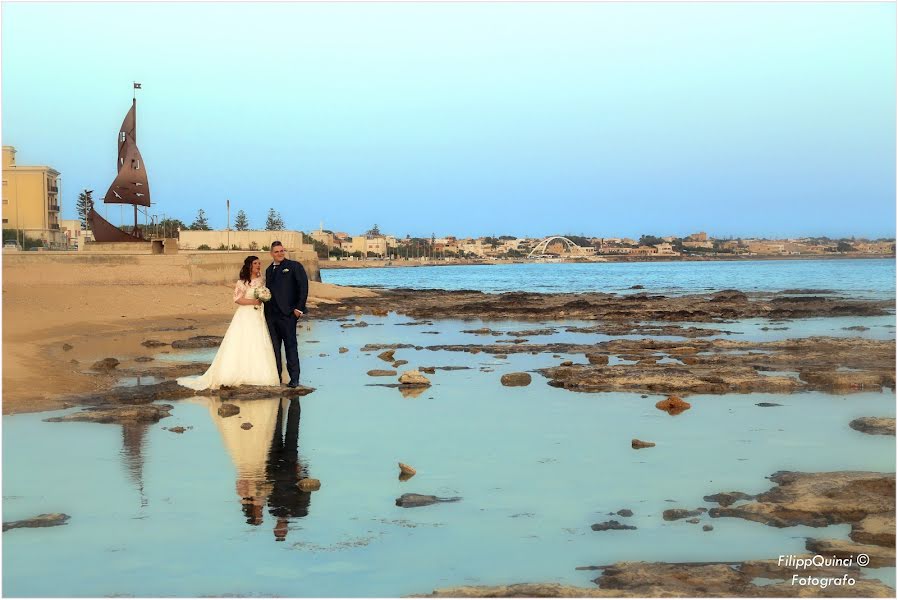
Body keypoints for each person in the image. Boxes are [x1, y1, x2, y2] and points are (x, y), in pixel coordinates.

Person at [177, 256, 280, 390]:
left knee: (258, 341)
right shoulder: (242, 282)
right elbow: (237, 299)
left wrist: (263, 297)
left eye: (259, 263)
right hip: (245, 314)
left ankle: (258, 374)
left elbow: (264, 294)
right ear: (249, 265)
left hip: (258, 315)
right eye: (255, 263)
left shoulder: (261, 281)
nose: (258, 265)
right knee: (242, 341)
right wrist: (254, 302)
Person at [264, 241, 309, 387]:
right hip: (271, 316)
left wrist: (298, 309)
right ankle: (277, 377)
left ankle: (294, 379)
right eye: (276, 251)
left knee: (291, 347)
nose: (280, 253)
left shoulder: (294, 266)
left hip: (288, 315)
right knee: (275, 348)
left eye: (282, 250)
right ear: (271, 254)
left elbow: (303, 288)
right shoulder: (268, 270)